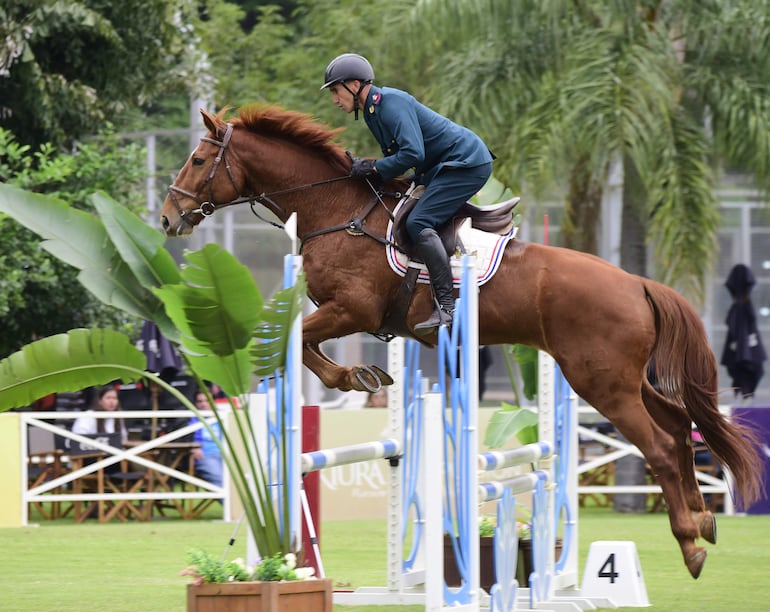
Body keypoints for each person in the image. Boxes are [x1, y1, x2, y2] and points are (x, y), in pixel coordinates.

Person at [321, 53, 494, 334]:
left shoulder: (389, 103)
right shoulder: (372, 112)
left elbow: (413, 152)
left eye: (336, 91)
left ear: (354, 84)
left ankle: (447, 306)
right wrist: (371, 170)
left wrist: (374, 166)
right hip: (440, 168)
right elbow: (404, 156)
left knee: (418, 222)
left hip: (465, 163)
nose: (334, 99)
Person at [189, 390, 223, 488]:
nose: (203, 404)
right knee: (220, 481)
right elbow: (187, 438)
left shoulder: (223, 416)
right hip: (205, 455)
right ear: (195, 404)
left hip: (225, 455)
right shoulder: (191, 419)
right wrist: (193, 447)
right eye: (200, 401)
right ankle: (230, 503)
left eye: (207, 400)